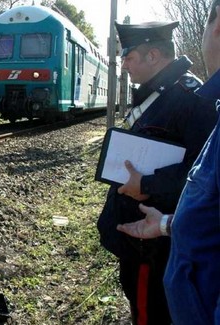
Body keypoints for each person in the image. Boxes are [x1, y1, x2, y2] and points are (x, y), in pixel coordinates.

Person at [96, 20, 218, 325]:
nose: (123, 66)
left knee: (151, 314)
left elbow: (202, 177)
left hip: (154, 249)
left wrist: (148, 184)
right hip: (139, 242)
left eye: (128, 57)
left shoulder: (194, 100)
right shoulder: (159, 95)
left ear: (153, 55)